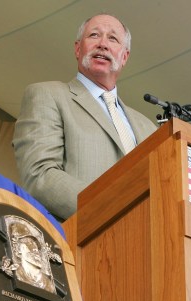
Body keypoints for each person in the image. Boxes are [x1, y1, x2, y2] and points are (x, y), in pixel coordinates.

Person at [13, 14, 157, 220]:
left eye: (113, 39)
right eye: (94, 35)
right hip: (81, 239)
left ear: (124, 57)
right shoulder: (48, 95)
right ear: (78, 49)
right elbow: (40, 175)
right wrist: (111, 209)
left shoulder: (148, 127)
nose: (103, 45)